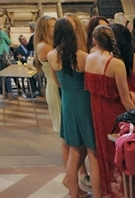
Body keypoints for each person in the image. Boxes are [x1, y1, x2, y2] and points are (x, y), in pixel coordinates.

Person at [49, 17, 102, 198]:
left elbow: (56, 81)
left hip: (68, 101)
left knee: (73, 151)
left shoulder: (51, 55)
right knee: (92, 151)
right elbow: (91, 82)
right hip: (84, 100)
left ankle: (74, 193)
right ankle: (98, 193)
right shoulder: (83, 56)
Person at [85, 25, 135, 198]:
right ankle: (123, 191)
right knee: (119, 151)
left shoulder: (89, 58)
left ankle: (108, 191)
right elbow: (124, 98)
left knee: (103, 152)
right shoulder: (116, 63)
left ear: (94, 40)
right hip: (114, 111)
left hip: (96, 110)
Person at [35, 15, 61, 132]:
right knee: (63, 128)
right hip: (55, 85)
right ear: (44, 29)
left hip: (58, 84)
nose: (56, 29)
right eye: (53, 27)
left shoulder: (52, 44)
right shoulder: (44, 46)